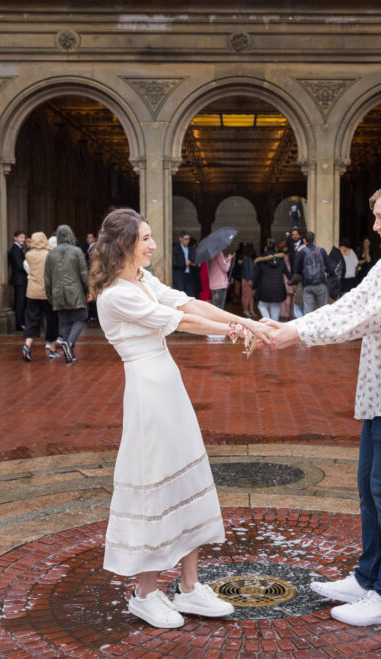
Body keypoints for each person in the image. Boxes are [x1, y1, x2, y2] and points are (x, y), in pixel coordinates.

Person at [264, 181, 381, 628]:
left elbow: (362, 319)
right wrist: (299, 325)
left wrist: (295, 333)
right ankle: (368, 577)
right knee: (372, 491)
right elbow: (351, 302)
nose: (375, 225)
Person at [91, 208, 272, 629]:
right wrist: (233, 330)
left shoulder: (141, 280)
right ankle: (144, 592)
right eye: (146, 239)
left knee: (187, 477)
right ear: (124, 245)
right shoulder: (117, 294)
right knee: (156, 485)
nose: (154, 245)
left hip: (168, 386)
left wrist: (243, 321)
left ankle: (189, 588)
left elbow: (187, 301)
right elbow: (180, 320)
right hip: (146, 393)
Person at [44, 225, 89, 363]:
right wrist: (88, 290)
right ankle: (68, 344)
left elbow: (47, 277)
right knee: (81, 317)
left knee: (65, 320)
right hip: (75, 291)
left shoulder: (51, 253)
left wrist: (49, 294)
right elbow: (83, 273)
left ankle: (65, 343)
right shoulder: (76, 251)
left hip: (58, 292)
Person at [21, 231, 58, 361]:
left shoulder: (28, 255)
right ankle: (52, 349)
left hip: (31, 292)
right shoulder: (50, 255)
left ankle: (27, 345)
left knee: (32, 320)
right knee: (52, 320)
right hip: (47, 293)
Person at [293, 231, 336, 314]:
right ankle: (322, 326)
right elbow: (330, 268)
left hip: (307, 285)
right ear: (315, 240)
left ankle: (309, 327)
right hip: (321, 284)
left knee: (308, 312)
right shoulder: (321, 251)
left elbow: (296, 270)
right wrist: (331, 274)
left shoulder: (301, 253)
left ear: (304, 240)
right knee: (323, 310)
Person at [253, 239, 290, 321]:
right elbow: (288, 274)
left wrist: (254, 287)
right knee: (275, 311)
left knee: (261, 305)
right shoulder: (281, 260)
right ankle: (273, 326)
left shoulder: (261, 261)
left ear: (265, 248)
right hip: (279, 290)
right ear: (275, 249)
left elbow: (257, 276)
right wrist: (293, 282)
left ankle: (267, 321)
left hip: (264, 289)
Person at [8, 231, 28, 331]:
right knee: (19, 302)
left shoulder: (19, 249)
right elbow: (20, 265)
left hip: (21, 280)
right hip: (19, 280)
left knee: (22, 302)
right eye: (21, 237)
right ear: (15, 238)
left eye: (24, 238)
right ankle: (19, 324)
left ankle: (21, 323)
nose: (23, 240)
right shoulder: (15, 250)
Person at [171, 231, 198, 298]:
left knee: (191, 295)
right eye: (186, 239)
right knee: (180, 295)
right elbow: (173, 263)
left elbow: (194, 260)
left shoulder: (191, 249)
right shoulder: (175, 249)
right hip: (179, 276)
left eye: (188, 239)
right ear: (180, 239)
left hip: (190, 275)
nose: (187, 241)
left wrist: (194, 263)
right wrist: (184, 263)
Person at [240, 244, 257, 317]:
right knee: (246, 295)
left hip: (250, 279)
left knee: (251, 296)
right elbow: (247, 270)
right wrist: (249, 279)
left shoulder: (249, 258)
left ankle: (251, 310)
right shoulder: (246, 258)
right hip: (247, 280)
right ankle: (245, 310)